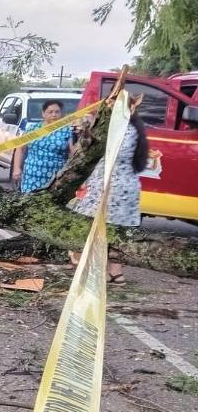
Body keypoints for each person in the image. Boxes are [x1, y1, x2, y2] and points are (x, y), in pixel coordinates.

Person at [67, 108, 149, 284]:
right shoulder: (133, 127)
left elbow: (107, 152)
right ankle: (114, 272)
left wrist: (89, 131)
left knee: (87, 224)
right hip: (122, 186)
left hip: (111, 186)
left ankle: (88, 265)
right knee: (117, 230)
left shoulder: (122, 128)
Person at [11, 100, 73, 193]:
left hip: (55, 180)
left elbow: (74, 152)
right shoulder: (32, 129)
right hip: (31, 178)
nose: (54, 115)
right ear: (43, 114)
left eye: (57, 112)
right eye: (50, 112)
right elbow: (20, 148)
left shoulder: (67, 130)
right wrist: (17, 168)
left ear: (61, 114)